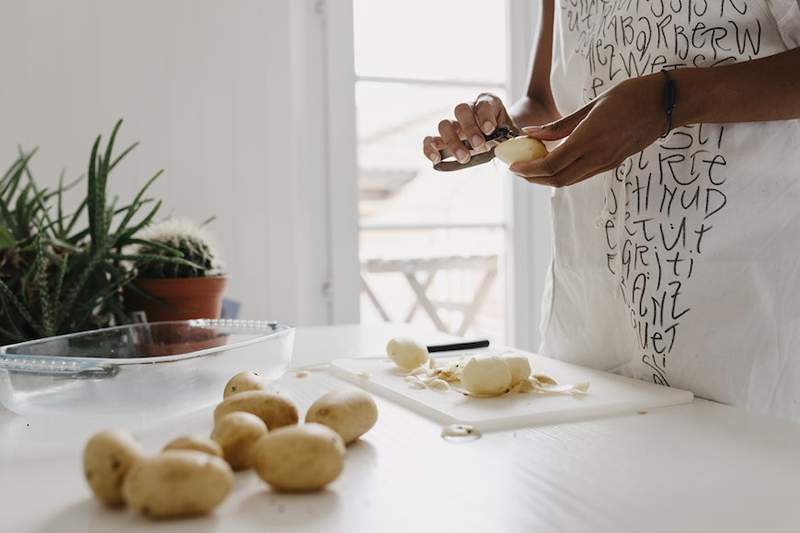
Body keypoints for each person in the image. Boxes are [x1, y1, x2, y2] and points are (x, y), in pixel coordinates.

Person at [423, 0, 800, 420]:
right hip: (591, 321)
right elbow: (548, 98)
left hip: (745, 326)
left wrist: (665, 101)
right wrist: (495, 132)